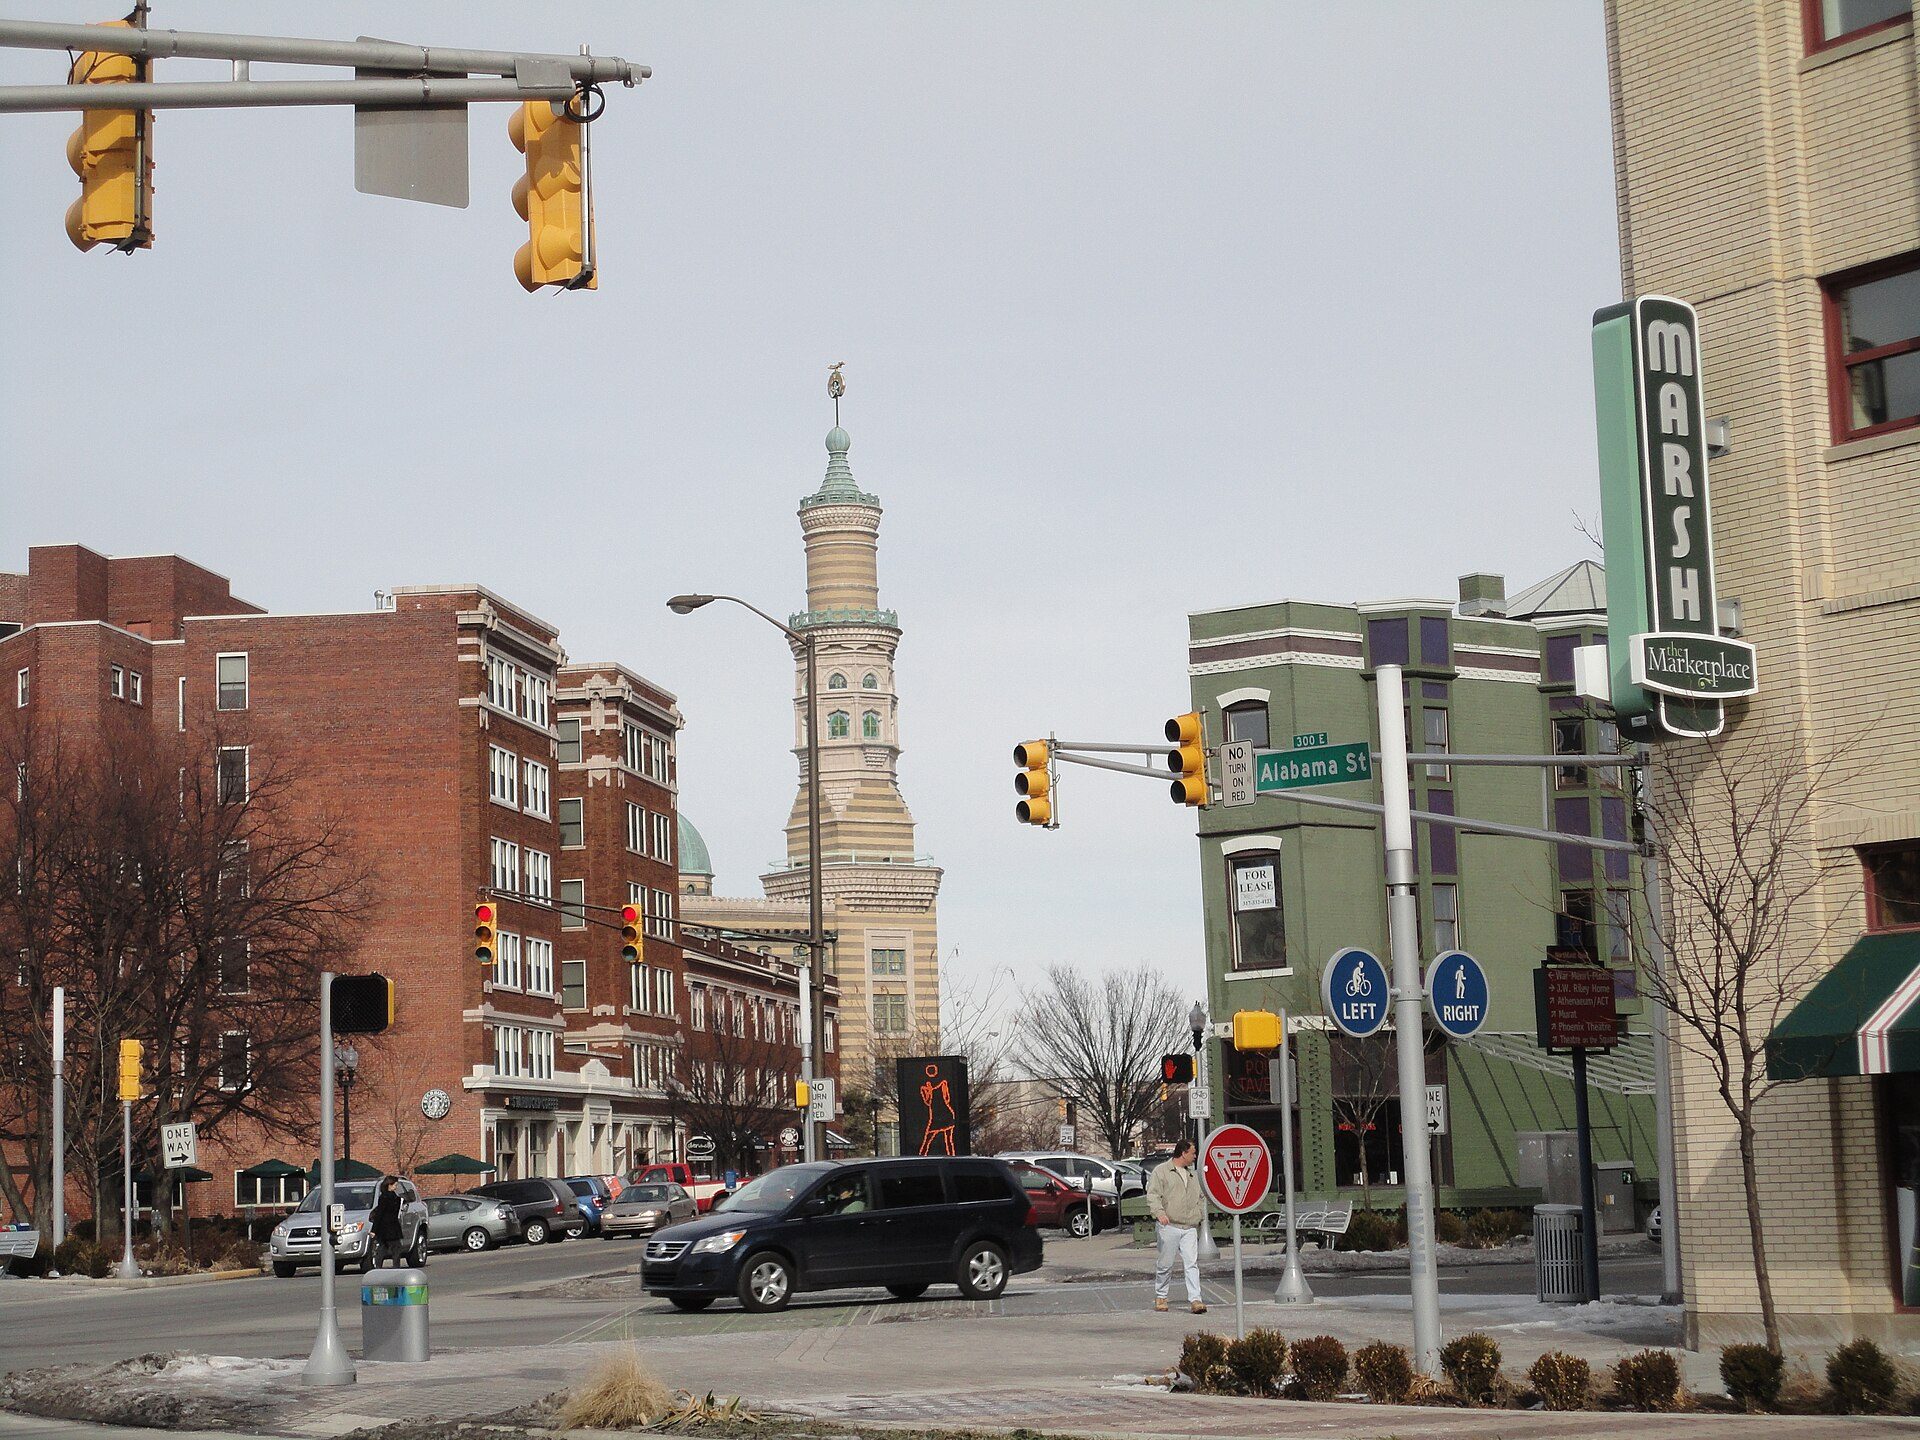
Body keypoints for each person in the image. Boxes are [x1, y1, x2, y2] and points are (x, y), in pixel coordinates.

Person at [1145, 1137, 1207, 1314]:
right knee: (1165, 1264)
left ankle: (1195, 1299)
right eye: (1193, 1153)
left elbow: (1200, 1197)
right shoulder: (1162, 1171)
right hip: (1169, 1225)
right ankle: (1161, 1295)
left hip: (1189, 1226)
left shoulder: (1192, 1175)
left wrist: (1199, 1214)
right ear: (1183, 1153)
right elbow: (1153, 1195)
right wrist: (1159, 1213)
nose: (1195, 1156)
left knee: (1191, 1263)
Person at [370, 1176, 405, 1268]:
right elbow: (379, 1214)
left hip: (390, 1226)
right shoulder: (385, 1198)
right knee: (393, 1248)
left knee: (385, 1248)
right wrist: (374, 1230)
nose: (396, 1187)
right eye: (395, 1185)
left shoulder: (394, 1197)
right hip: (387, 1227)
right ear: (389, 1185)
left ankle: (379, 1267)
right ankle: (392, 1267)